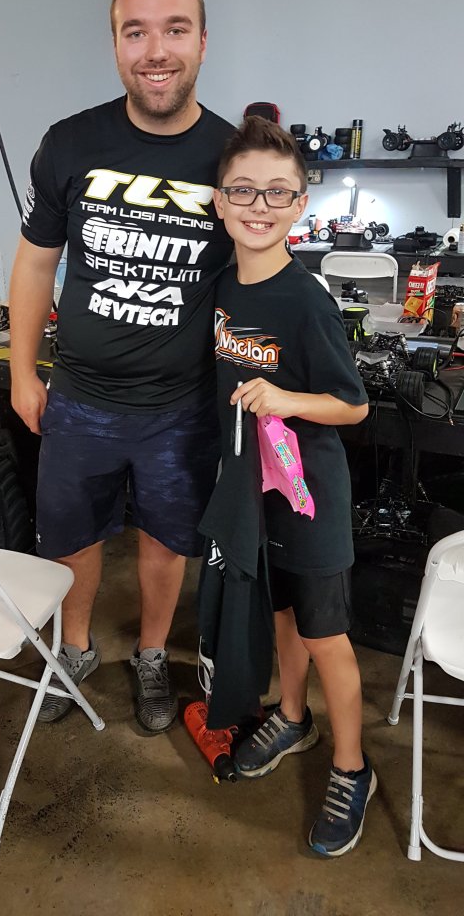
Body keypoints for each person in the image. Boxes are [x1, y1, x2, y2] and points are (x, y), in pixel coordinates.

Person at [9, 0, 234, 732]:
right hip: (79, 398)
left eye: (175, 29)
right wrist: (22, 370)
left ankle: (150, 654)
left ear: (202, 40)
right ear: (115, 44)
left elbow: (257, 280)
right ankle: (73, 649)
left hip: (183, 406)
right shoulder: (69, 143)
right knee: (71, 536)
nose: (156, 50)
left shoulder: (233, 159)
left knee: (167, 541)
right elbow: (36, 263)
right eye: (135, 32)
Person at [212, 115, 375, 857]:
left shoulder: (306, 301)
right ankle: (292, 716)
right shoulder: (223, 287)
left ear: (299, 206)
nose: (259, 205)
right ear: (220, 201)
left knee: (325, 634)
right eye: (243, 189)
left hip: (312, 500)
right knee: (281, 616)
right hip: (255, 494)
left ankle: (352, 767)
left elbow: (353, 405)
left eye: (278, 192)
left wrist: (284, 399)